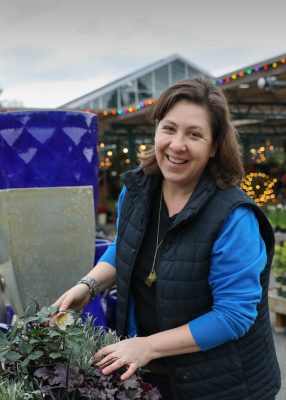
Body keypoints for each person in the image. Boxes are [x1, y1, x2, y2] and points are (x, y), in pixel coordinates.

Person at [53, 78, 281, 400]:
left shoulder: (233, 217)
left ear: (215, 145)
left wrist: (147, 345)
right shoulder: (136, 192)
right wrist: (88, 285)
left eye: (194, 134)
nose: (177, 145)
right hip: (149, 372)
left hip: (221, 383)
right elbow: (125, 248)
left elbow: (234, 315)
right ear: (156, 131)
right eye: (169, 129)